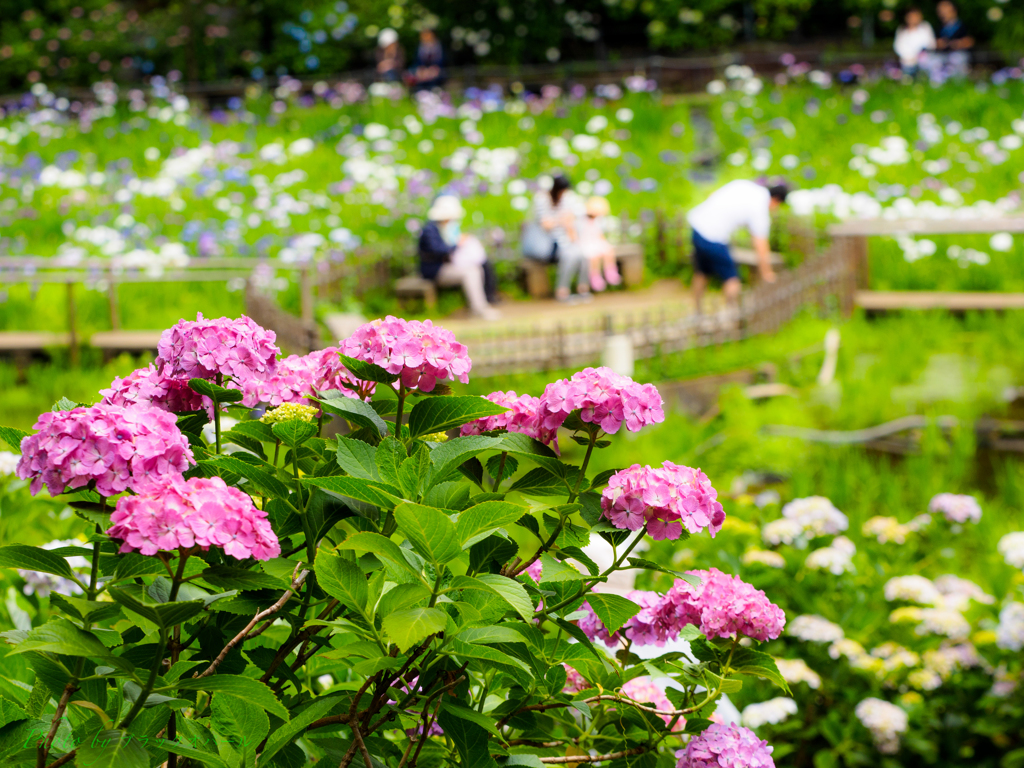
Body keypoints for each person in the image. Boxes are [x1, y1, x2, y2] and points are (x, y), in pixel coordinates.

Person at [687, 180, 787, 316]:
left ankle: (696, 313)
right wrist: (767, 273)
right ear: (776, 200)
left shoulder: (745, 185)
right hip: (714, 235)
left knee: (702, 272)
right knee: (732, 278)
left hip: (698, 225)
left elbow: (712, 195)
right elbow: (760, 244)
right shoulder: (760, 207)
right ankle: (730, 315)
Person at [418, 195, 500, 320]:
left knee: (477, 267)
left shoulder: (443, 228)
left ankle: (481, 305)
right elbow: (438, 250)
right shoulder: (430, 230)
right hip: (435, 271)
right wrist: (457, 244)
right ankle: (479, 309)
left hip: (445, 267)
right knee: (471, 272)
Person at [525, 174, 590, 302]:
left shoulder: (567, 199)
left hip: (564, 241)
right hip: (546, 245)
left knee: (582, 255)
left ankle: (583, 289)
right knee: (570, 256)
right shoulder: (542, 199)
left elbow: (571, 220)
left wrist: (568, 226)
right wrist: (562, 220)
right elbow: (546, 225)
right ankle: (562, 291)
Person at [578, 196, 621, 292]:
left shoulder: (598, 221)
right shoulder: (582, 221)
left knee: (609, 251)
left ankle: (610, 271)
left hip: (596, 242)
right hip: (587, 243)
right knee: (594, 256)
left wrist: (605, 243)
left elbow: (600, 234)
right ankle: (595, 276)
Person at [894, 8, 935, 76]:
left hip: (923, 59)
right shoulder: (901, 30)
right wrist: (908, 57)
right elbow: (898, 46)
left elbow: (930, 44)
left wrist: (917, 56)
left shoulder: (925, 27)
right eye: (910, 16)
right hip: (906, 60)